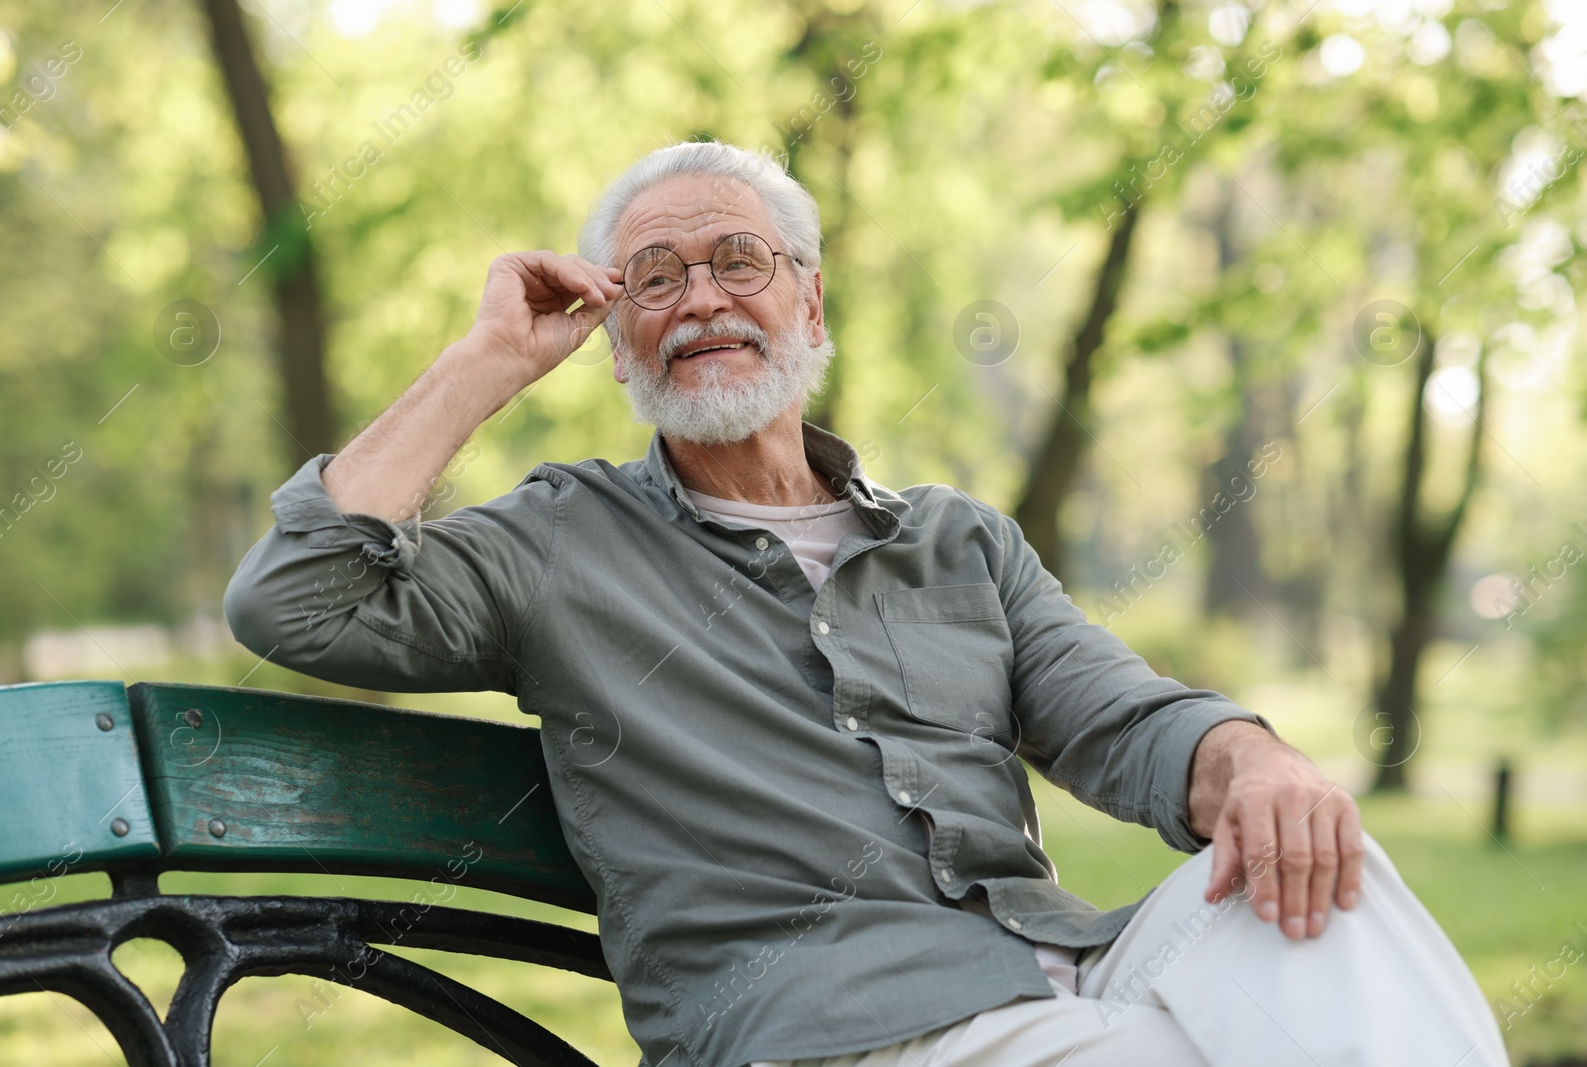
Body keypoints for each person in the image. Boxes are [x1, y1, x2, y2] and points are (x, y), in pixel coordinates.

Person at [224, 141, 1508, 1067]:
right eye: (654, 281)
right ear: (615, 337)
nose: (702, 300)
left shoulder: (955, 539)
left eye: (739, 261)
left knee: (1330, 871)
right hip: (843, 1029)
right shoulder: (559, 542)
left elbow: (1119, 716)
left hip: (1063, 969)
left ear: (810, 297)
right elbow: (301, 598)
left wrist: (1258, 761)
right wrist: (483, 363)